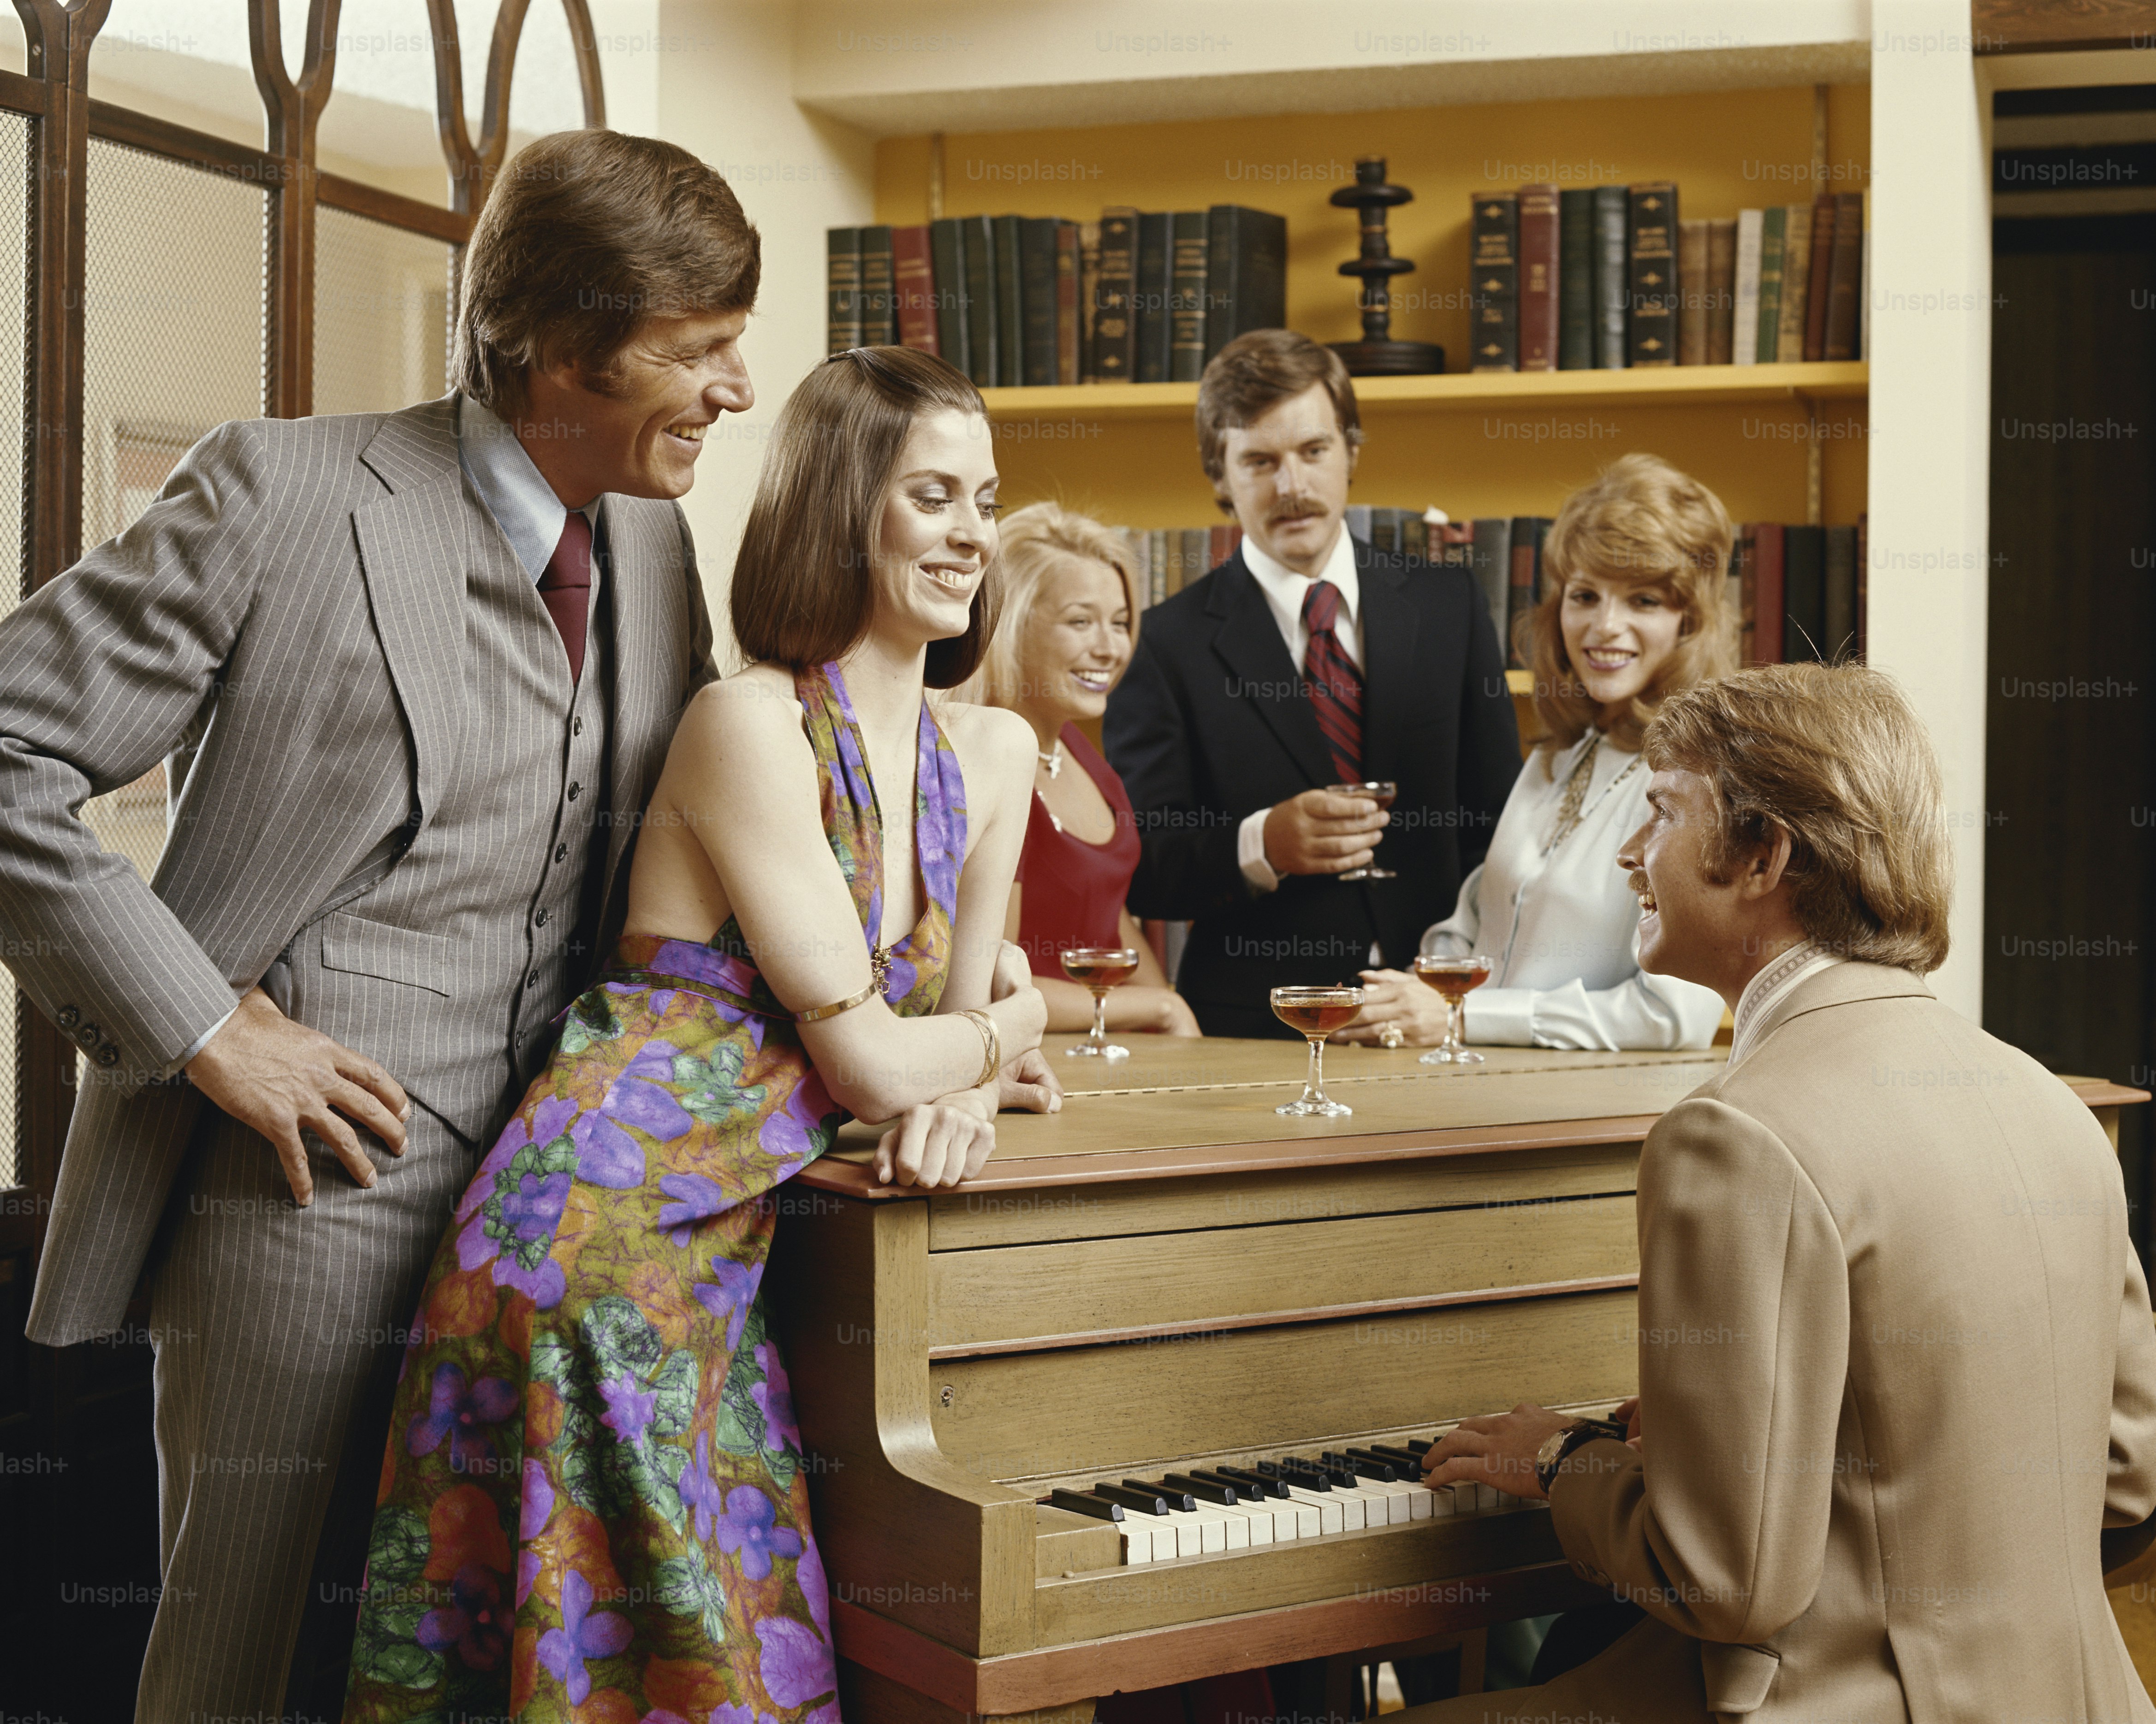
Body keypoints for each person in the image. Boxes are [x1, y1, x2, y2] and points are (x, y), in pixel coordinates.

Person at [1, 130, 754, 1718]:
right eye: (696, 351)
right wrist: (207, 1024)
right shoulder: (278, 492)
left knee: (485, 1666)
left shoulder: (651, 539)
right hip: (304, 1194)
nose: (731, 389)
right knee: (251, 1662)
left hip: (556, 1210)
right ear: (560, 345)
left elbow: (695, 854)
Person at [341, 345, 1056, 1724]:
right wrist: (1017, 1019)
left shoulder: (1001, 752)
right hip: (589, 1242)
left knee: (705, 1670)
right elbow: (881, 1057)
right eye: (931, 495)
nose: (972, 532)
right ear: (844, 510)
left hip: (724, 1234)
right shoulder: (747, 725)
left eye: (986, 496)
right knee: (699, 1679)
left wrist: (964, 1079)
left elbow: (942, 1041)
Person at [1405, 664, 2156, 1722]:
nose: (1627, 855)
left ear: (1761, 855)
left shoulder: (1734, 1135)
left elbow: (1721, 1581)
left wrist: (1567, 1458)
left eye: (1658, 814)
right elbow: (2125, 1482)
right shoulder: (2051, 1104)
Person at [1104, 329, 1520, 1039]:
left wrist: (1466, 992)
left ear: (1350, 453)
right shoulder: (1163, 642)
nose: (1290, 486)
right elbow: (1145, 864)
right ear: (1219, 476)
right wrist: (1263, 843)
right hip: (1251, 1030)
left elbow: (1499, 828)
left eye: (1312, 451)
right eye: (1259, 461)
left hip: (1437, 1013)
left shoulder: (1447, 605)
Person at [1338, 455, 1726, 1053]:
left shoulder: (1702, 782)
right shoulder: (1558, 754)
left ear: (1688, 621)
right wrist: (1421, 989)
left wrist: (1463, 1015)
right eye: (1584, 595)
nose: (1603, 626)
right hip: (1479, 1090)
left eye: (1642, 601)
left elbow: (1672, 1016)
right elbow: (1478, 915)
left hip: (1590, 1118)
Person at [959, 500, 1200, 1037]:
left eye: (1119, 623)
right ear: (1011, 625)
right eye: (1080, 622)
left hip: (1107, 1049)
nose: (1110, 648)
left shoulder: (1078, 748)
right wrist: (1155, 1009)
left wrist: (1168, 1007)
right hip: (1028, 1063)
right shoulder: (986, 761)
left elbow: (1107, 913)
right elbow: (991, 982)